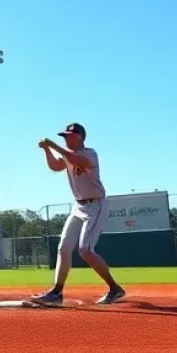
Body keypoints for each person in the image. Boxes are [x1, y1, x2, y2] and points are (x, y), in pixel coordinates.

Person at [30, 124, 125, 306]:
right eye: (64, 136)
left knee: (85, 249)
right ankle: (56, 293)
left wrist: (52, 145)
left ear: (80, 137)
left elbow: (76, 160)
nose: (65, 138)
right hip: (78, 206)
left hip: (95, 205)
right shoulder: (67, 155)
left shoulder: (89, 153)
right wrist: (47, 150)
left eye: (69, 135)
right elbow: (56, 166)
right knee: (63, 247)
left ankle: (115, 288)